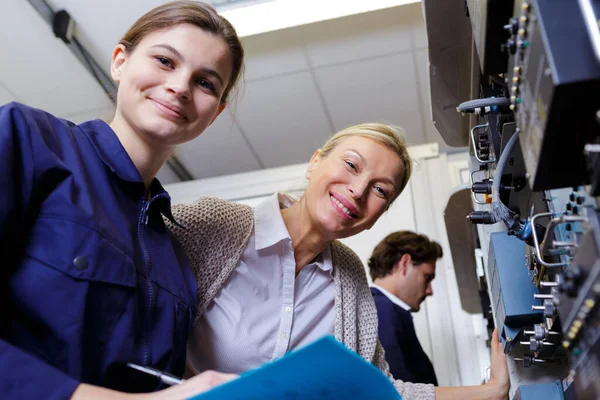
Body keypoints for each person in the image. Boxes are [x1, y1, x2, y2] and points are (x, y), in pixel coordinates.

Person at [0, 1, 244, 399]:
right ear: (119, 62)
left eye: (205, 83)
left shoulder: (178, 266)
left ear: (214, 113)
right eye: (166, 61)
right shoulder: (28, 140)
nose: (181, 86)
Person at [167, 123, 510, 400]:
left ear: (379, 214)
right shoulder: (210, 226)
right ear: (315, 161)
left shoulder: (350, 279)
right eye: (351, 165)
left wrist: (490, 392)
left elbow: (375, 390)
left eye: (380, 190)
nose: (359, 190)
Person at [369, 231, 443, 385]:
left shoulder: (382, 309)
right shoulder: (382, 310)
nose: (429, 291)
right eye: (427, 277)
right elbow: (401, 391)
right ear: (405, 263)